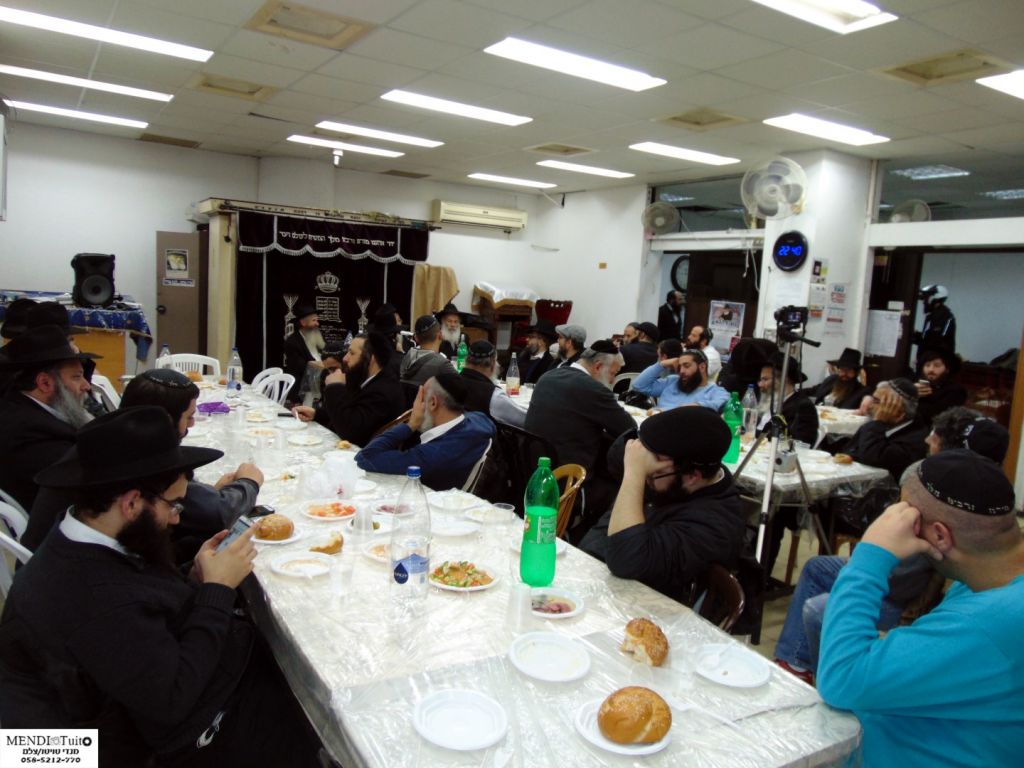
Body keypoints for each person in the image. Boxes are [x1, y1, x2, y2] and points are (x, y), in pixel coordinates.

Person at [0, 407, 323, 767]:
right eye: (174, 504)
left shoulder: (84, 532)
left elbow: (141, 606)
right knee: (307, 711)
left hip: (135, 706)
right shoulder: (91, 594)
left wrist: (194, 577)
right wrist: (217, 590)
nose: (176, 518)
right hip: (94, 750)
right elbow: (172, 698)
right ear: (131, 502)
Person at [817, 450, 1022, 768]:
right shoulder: (992, 581)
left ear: (939, 535)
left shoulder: (988, 623)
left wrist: (870, 555)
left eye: (907, 518)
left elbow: (841, 679)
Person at [774, 408, 1010, 684]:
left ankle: (822, 683)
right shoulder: (993, 500)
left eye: (934, 436)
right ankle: (796, 661)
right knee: (817, 567)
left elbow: (898, 578)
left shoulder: (938, 501)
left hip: (900, 594)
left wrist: (869, 561)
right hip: (901, 579)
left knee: (819, 611)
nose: (927, 440)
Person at [22, 367, 264, 553]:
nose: (192, 424)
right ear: (162, 421)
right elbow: (218, 514)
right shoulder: (135, 465)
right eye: (189, 417)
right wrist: (248, 482)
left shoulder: (108, 441)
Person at [579, 407, 745, 604]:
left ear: (692, 477)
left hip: (640, 609)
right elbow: (616, 457)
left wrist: (635, 473)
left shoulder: (715, 526)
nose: (645, 472)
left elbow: (626, 559)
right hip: (592, 576)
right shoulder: (678, 478)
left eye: (653, 469)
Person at [525, 340, 636, 538]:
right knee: (625, 480)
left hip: (534, 472)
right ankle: (587, 537)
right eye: (613, 374)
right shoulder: (593, 390)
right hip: (570, 483)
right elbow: (629, 428)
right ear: (598, 367)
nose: (613, 381)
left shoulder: (548, 377)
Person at [0, 325, 96, 511]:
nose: (86, 386)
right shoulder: (34, 435)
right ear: (45, 383)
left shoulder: (17, 407)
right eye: (77, 377)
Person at [356, 372, 495, 491]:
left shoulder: (430, 455)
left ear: (433, 403)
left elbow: (365, 458)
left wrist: (410, 425)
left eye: (421, 397)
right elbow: (484, 422)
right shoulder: (480, 420)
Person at [293, 331, 405, 447]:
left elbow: (350, 430)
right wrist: (317, 414)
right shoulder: (365, 378)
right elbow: (348, 410)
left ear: (371, 358)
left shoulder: (383, 391)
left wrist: (335, 387)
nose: (345, 358)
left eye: (352, 353)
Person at [840, 378, 930, 481]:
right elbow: (848, 451)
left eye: (877, 401)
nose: (869, 406)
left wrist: (878, 423)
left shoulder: (914, 440)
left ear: (898, 410)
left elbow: (871, 459)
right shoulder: (876, 424)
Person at [632, 348, 730, 412]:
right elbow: (639, 386)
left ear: (702, 367)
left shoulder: (715, 391)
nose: (681, 371)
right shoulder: (673, 381)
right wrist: (662, 364)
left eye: (686, 366)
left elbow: (721, 405)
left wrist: (665, 411)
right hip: (654, 426)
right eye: (680, 366)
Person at [459, 339, 527, 428]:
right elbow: (526, 420)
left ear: (466, 360)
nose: (498, 365)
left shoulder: (452, 382)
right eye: (496, 360)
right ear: (492, 363)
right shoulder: (493, 395)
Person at [757, 355, 819, 446]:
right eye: (760, 380)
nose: (760, 385)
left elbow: (802, 445)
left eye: (765, 379)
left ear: (783, 380)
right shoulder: (769, 402)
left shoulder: (803, 407)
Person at [281, 301, 324, 404]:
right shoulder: (292, 342)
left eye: (317, 320)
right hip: (303, 390)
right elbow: (301, 366)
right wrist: (323, 365)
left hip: (321, 386)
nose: (317, 324)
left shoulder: (318, 337)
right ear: (303, 323)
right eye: (314, 320)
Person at [399, 314, 455, 388]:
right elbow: (462, 389)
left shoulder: (404, 359)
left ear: (416, 338)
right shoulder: (443, 365)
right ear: (440, 335)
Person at [915, 347, 967, 424]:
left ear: (947, 369)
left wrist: (913, 400)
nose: (931, 369)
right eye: (927, 365)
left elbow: (936, 415)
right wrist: (911, 392)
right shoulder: (915, 385)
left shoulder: (956, 391)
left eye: (937, 365)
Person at [912, 284, 956, 367]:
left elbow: (935, 341)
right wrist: (914, 335)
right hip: (927, 362)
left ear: (935, 299)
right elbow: (928, 338)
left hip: (936, 365)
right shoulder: (932, 315)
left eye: (926, 299)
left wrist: (924, 359)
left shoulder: (945, 317)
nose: (924, 303)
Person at [516, 319, 558, 384]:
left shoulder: (549, 363)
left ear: (541, 342)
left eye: (531, 337)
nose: (527, 339)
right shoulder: (522, 355)